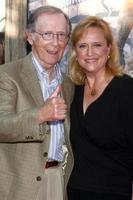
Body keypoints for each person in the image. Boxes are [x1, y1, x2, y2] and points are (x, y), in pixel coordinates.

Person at [0, 6, 74, 200]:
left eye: (61, 35)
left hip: (58, 179)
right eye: (47, 34)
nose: (56, 42)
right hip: (19, 186)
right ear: (30, 37)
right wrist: (41, 115)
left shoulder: (68, 83)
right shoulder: (7, 75)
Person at [67, 16, 133, 200]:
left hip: (115, 193)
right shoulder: (73, 88)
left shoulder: (126, 90)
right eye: (82, 46)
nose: (90, 53)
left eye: (97, 45)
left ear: (109, 48)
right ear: (75, 51)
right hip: (75, 191)